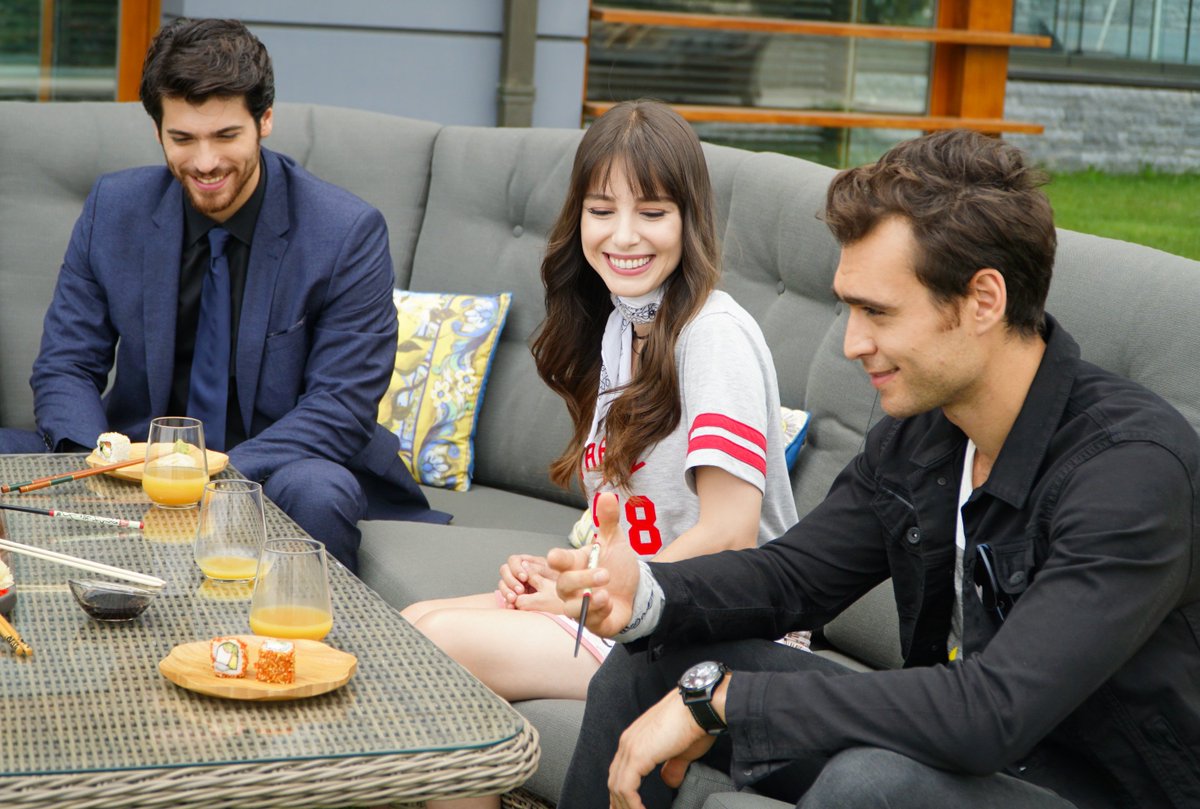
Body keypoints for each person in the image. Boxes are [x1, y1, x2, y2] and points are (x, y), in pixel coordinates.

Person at [550, 129, 1200, 809]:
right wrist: (646, 591)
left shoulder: (1131, 472)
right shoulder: (926, 435)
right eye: (849, 307)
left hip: (1099, 786)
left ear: (983, 300)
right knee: (652, 668)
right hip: (964, 748)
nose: (853, 343)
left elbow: (994, 710)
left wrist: (732, 700)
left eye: (877, 312)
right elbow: (791, 577)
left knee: (870, 785)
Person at [401, 100, 798, 783]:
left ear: (690, 219)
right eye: (601, 209)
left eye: (652, 211)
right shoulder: (622, 328)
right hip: (642, 605)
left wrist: (589, 596)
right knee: (411, 622)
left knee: (441, 642)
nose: (624, 235)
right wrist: (565, 572)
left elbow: (731, 534)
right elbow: (631, 522)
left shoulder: (714, 337)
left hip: (722, 631)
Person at [0, 18, 447, 572]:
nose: (205, 162)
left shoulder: (345, 232)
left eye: (226, 136)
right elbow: (67, 364)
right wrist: (101, 463)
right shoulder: (113, 209)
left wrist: (210, 477)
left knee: (317, 491)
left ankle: (307, 628)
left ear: (265, 120)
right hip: (137, 457)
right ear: (158, 130)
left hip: (283, 461)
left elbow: (341, 405)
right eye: (183, 139)